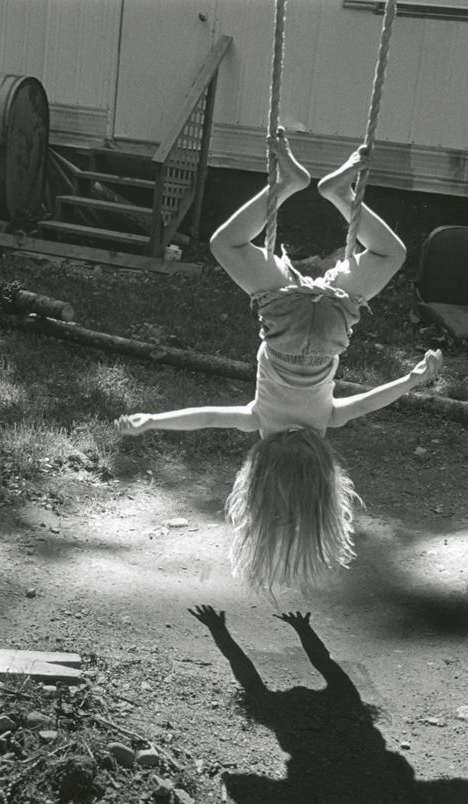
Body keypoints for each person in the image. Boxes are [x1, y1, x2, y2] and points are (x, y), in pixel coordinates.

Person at [116, 131, 443, 593]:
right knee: (225, 244)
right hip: (285, 318)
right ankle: (291, 185)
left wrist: (412, 379)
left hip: (333, 320)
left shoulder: (323, 422)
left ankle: (335, 193)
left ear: (320, 467)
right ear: (262, 466)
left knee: (392, 254)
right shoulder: (262, 422)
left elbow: (370, 402)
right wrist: (153, 421)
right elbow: (207, 416)